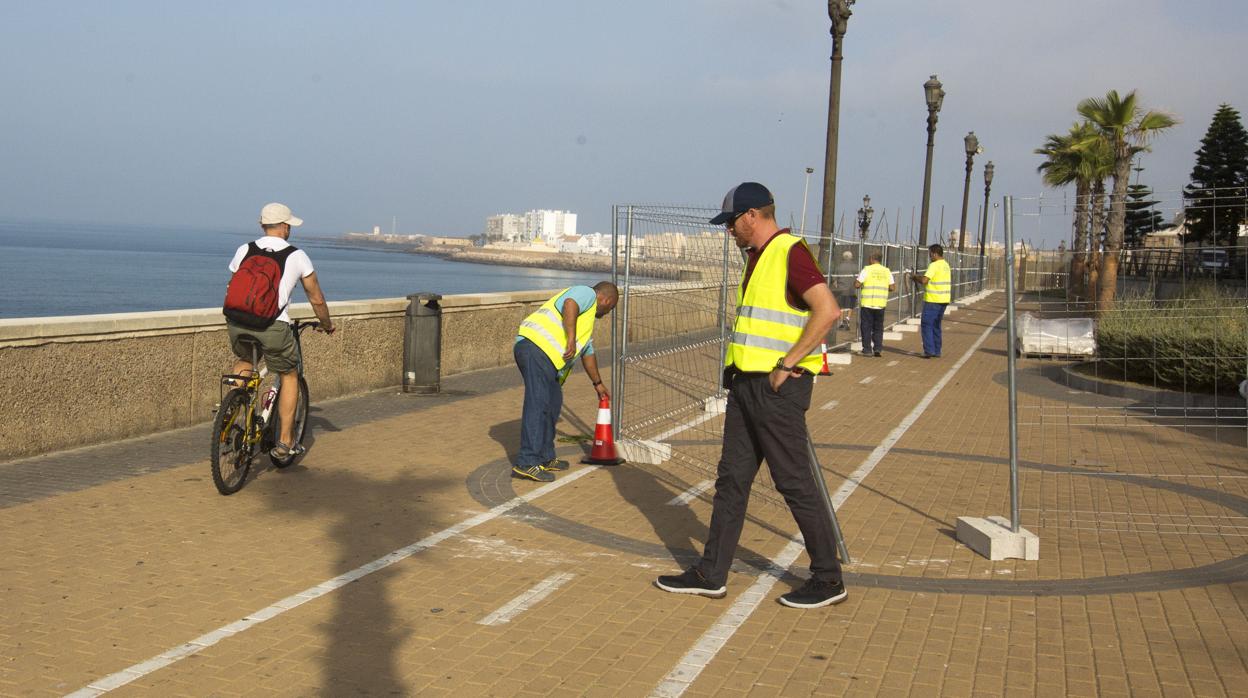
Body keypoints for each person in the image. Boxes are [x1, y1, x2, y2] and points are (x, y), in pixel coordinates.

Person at [655, 182, 847, 609]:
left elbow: (828, 310)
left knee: (794, 482)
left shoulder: (788, 251)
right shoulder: (758, 258)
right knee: (731, 482)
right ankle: (711, 574)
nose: (728, 231)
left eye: (730, 223)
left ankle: (828, 578)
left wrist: (787, 364)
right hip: (746, 386)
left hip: (776, 388)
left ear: (752, 216)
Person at [225, 203, 335, 459]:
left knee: (244, 361)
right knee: (288, 374)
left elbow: (233, 286)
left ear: (263, 224)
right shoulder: (297, 256)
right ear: (285, 227)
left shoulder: (245, 249)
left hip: (238, 321)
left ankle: (228, 416)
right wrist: (327, 324)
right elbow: (316, 298)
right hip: (273, 325)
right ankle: (285, 443)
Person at [512, 282, 619, 482]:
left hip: (545, 358)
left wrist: (598, 384)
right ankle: (526, 462)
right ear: (607, 300)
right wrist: (570, 337)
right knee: (538, 403)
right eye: (610, 308)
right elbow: (570, 303)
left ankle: (545, 456)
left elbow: (588, 353)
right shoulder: (587, 293)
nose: (607, 313)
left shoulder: (584, 323)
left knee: (552, 404)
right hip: (535, 348)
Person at [909, 244, 951, 358]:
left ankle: (929, 350)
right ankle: (937, 350)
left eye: (930, 254)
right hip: (944, 299)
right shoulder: (946, 265)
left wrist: (914, 277)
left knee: (926, 324)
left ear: (934, 253)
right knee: (936, 325)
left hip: (933, 300)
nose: (929, 256)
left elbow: (924, 280)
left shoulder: (934, 265)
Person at [854, 251, 896, 357]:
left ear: (872, 259)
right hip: (880, 303)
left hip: (867, 303)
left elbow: (857, 284)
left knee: (866, 326)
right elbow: (892, 287)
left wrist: (857, 283)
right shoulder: (886, 271)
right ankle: (877, 348)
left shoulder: (867, 269)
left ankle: (867, 350)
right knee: (878, 327)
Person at [834, 250, 858, 330]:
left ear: (843, 257)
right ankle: (847, 319)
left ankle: (841, 322)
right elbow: (858, 278)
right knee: (850, 305)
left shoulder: (839, 266)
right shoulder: (855, 266)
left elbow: (834, 279)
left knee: (841, 306)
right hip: (851, 289)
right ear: (851, 257)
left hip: (841, 289)